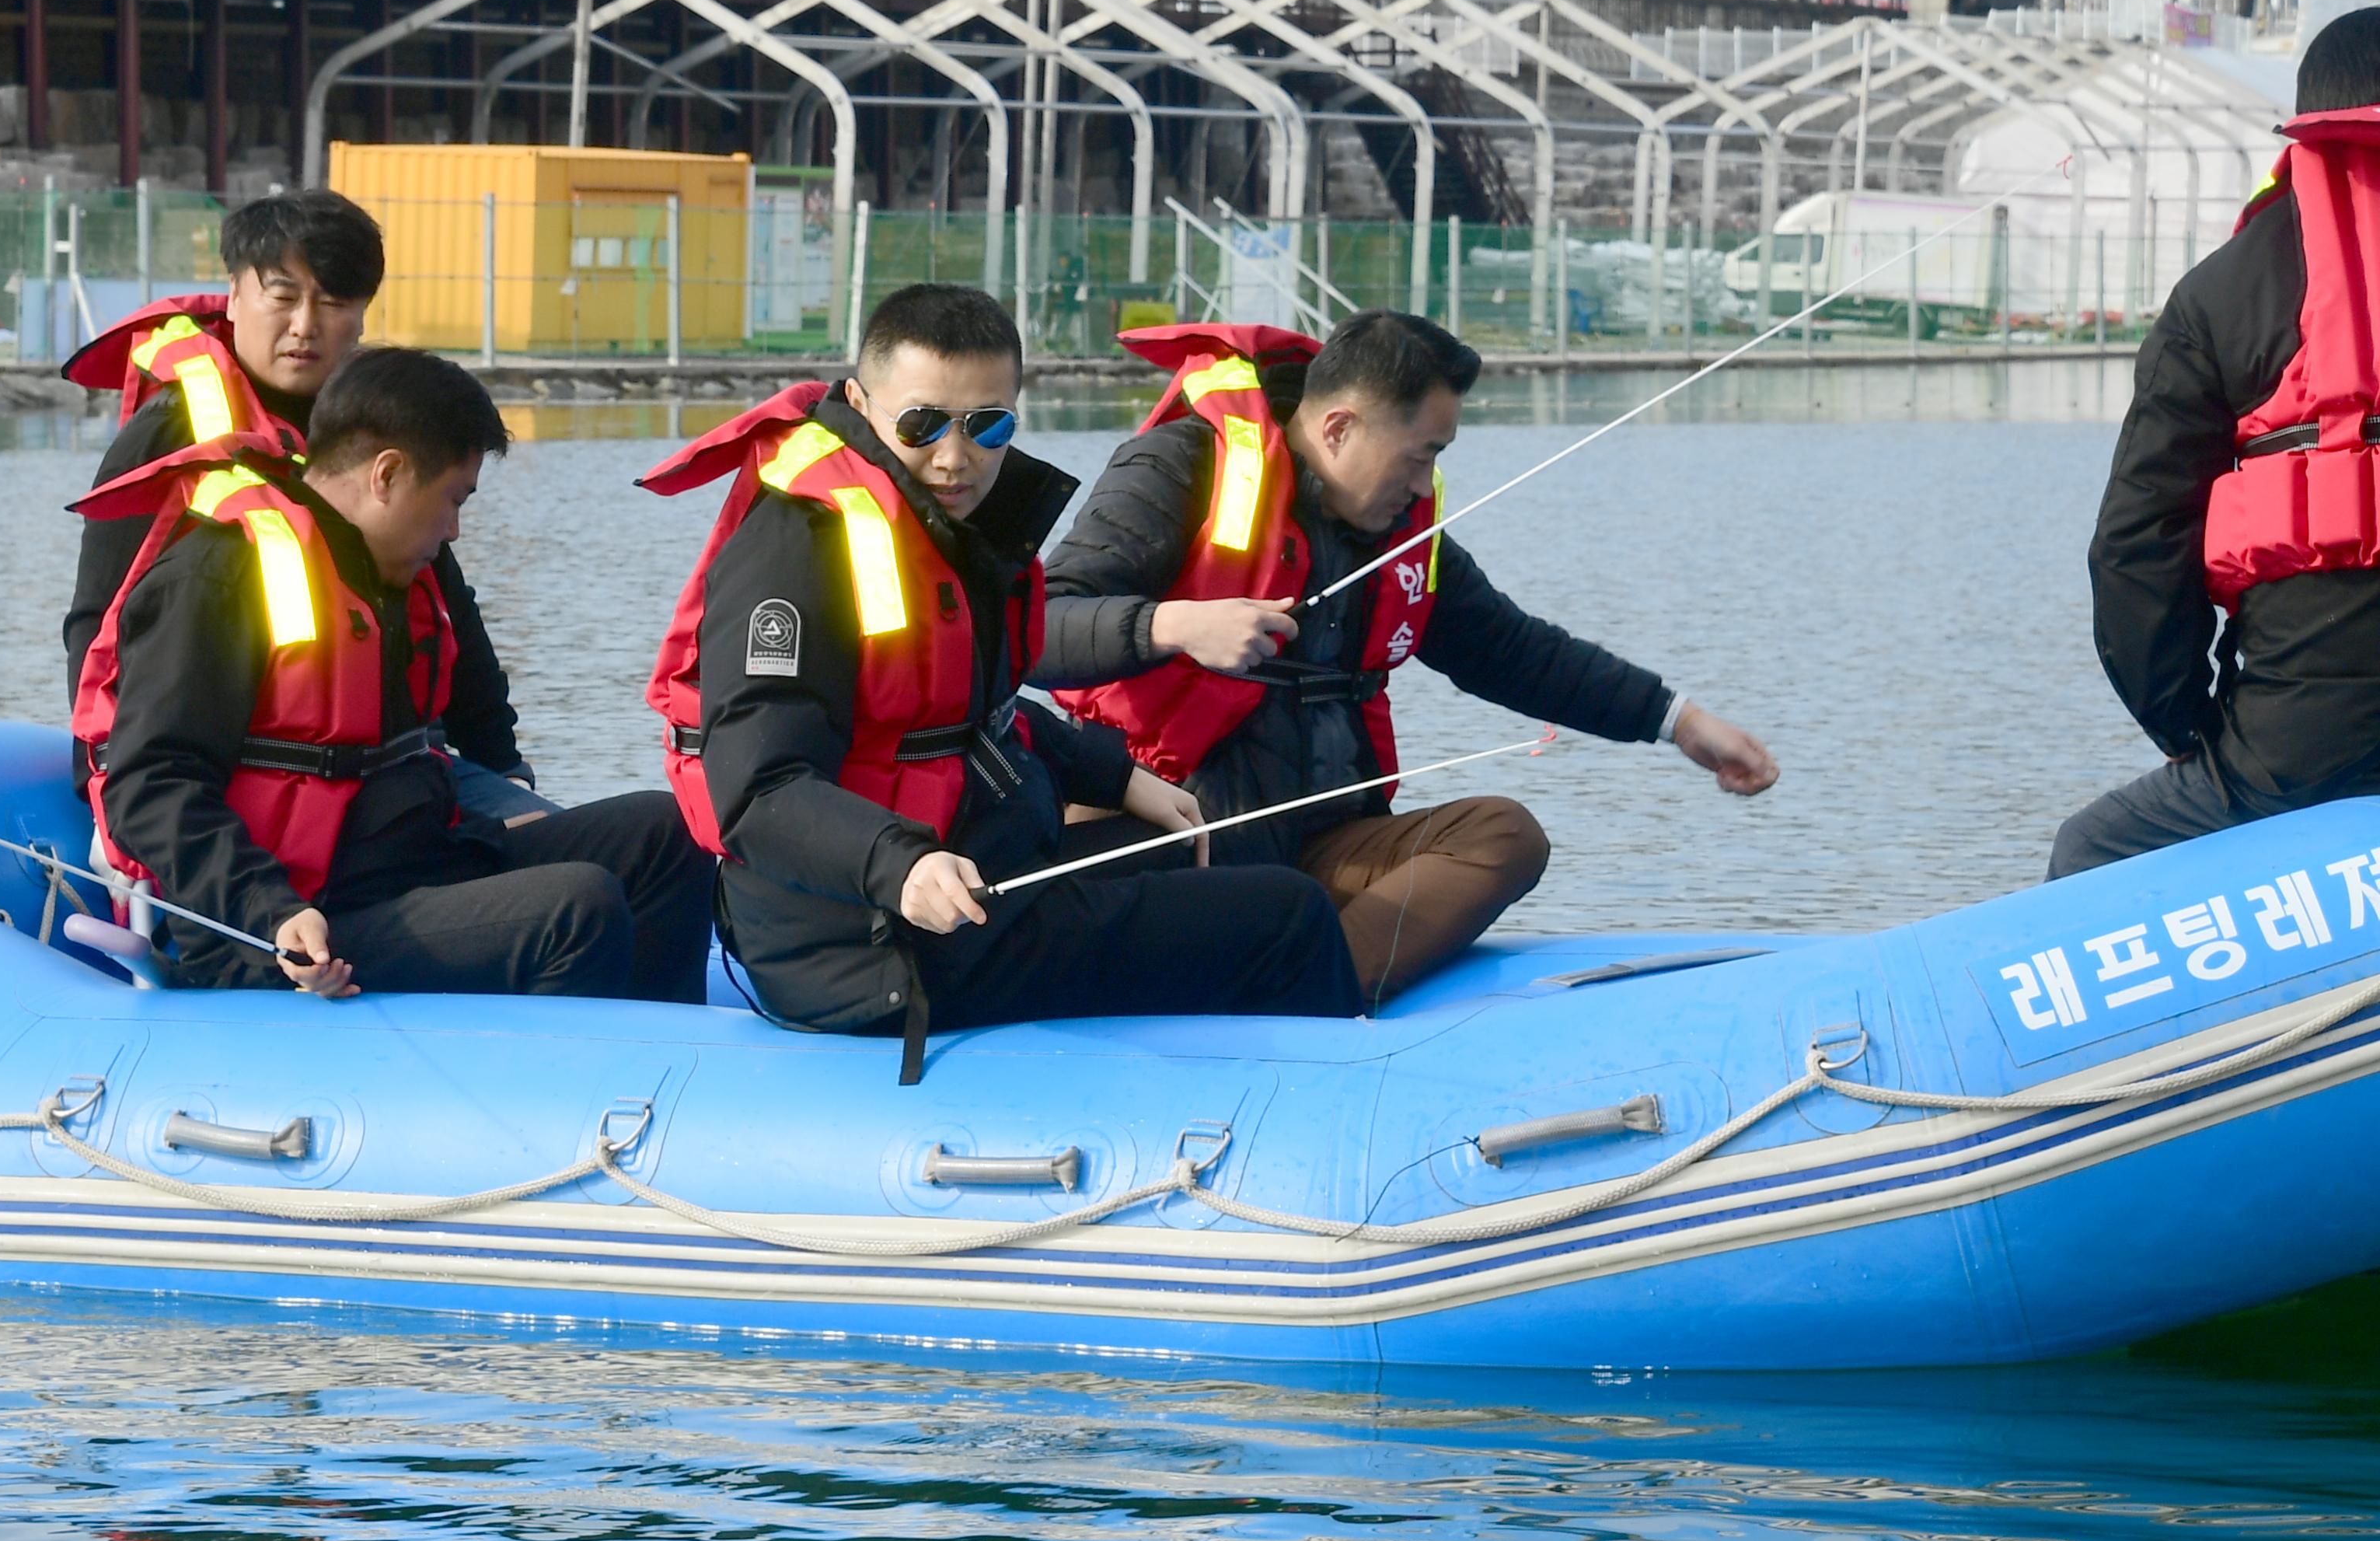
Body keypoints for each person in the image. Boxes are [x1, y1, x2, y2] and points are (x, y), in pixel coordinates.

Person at [640, 285, 1361, 1080]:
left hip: (972, 869)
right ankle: (1332, 1121)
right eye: (922, 423)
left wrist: (1117, 775)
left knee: (1193, 844)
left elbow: (968, 711)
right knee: (1289, 914)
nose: (956, 456)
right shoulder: (793, 547)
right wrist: (901, 867)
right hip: (870, 940)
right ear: (859, 401)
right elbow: (759, 788)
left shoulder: (944, 517)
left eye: (989, 424)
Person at [1038, 313, 1778, 1007]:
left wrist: (1677, 721)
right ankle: (1277, 969)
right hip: (1184, 842)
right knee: (1073, 884)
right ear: (1338, 428)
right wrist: (1174, 624)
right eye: (1421, 454)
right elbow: (1035, 631)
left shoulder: (1399, 530)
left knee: (1506, 836)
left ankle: (1317, 993)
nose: (1426, 484)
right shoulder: (1180, 465)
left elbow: (1511, 650)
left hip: (1327, 850)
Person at [72, 345, 714, 1001]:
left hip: (410, 869)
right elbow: (149, 784)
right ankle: (567, 1089)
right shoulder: (218, 577)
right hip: (290, 926)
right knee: (577, 908)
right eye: (453, 499)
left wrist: (495, 800)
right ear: (387, 475)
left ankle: (672, 1066)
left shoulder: (386, 572)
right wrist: (268, 909)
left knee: (665, 835)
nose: (457, 530)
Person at [59, 188, 551, 826]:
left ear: (364, 315)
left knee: (595, 848)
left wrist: (503, 763)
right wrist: (110, 793)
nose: (305, 326)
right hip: (250, 780)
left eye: (335, 302)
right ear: (236, 295)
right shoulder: (171, 437)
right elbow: (100, 621)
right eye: (283, 296)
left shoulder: (378, 418)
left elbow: (445, 594)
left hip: (394, 769)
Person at [2054, 5, 2380, 876]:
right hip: (2300, 746)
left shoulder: (2217, 297)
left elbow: (2134, 550)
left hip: (2290, 757)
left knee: (2086, 852)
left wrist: (2184, 726)